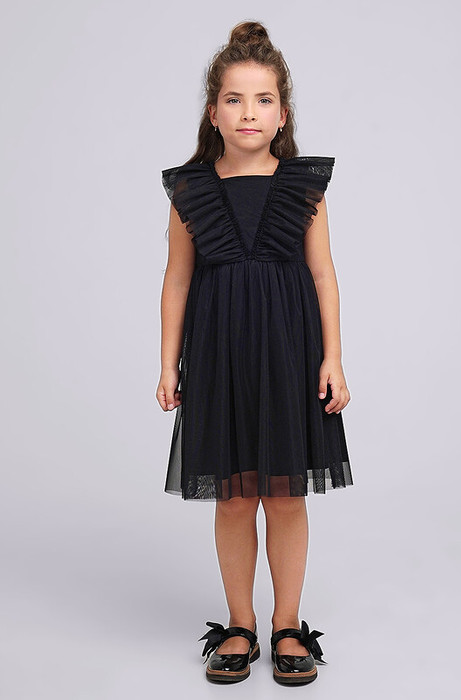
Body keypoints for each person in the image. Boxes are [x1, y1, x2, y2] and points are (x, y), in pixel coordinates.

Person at [156, 20, 354, 686]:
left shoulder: (303, 186)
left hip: (289, 354)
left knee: (286, 496)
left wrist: (332, 358)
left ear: (282, 114)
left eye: (263, 99)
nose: (249, 112)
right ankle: (239, 624)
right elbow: (177, 279)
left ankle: (286, 625)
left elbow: (323, 275)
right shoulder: (191, 189)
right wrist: (168, 363)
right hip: (219, 357)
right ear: (213, 113)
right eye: (234, 99)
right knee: (235, 498)